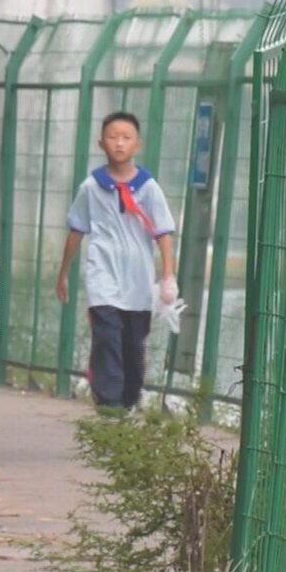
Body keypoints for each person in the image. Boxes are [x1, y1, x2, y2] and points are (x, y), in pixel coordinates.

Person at [55, 111, 177, 411]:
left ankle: (129, 399)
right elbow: (77, 230)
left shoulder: (149, 188)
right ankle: (109, 404)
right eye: (112, 137)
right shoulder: (90, 188)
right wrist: (64, 273)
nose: (119, 144)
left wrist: (169, 277)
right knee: (107, 336)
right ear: (101, 143)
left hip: (137, 280)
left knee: (133, 345)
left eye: (126, 138)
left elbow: (163, 233)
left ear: (138, 145)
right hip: (102, 274)